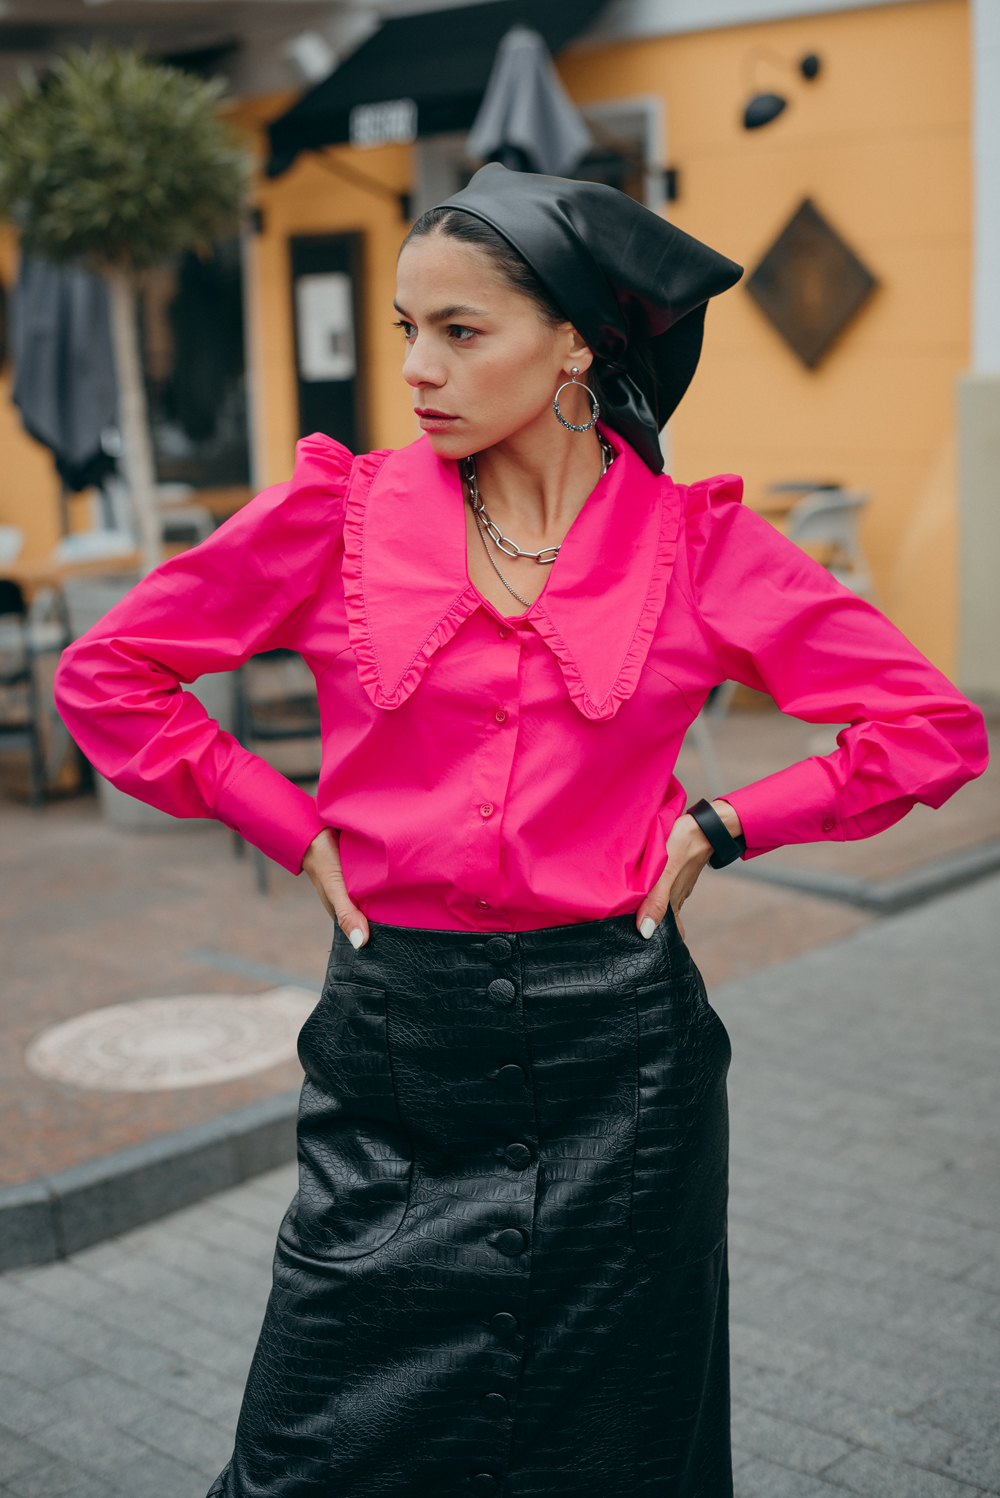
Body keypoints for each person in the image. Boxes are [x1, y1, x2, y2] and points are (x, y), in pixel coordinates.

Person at [55, 164, 987, 1498]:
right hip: (397, 1055)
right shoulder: (339, 512)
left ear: (574, 345)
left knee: (613, 1449)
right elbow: (109, 674)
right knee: (311, 1446)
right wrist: (287, 820)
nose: (419, 367)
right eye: (406, 329)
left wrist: (728, 821)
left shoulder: (697, 545)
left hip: (625, 1067)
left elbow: (931, 725)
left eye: (459, 330)